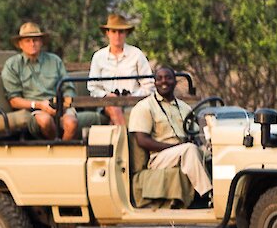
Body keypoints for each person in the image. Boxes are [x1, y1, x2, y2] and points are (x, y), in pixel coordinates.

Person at [129, 67, 211, 198]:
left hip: (183, 150)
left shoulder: (184, 107)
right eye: (159, 78)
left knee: (213, 151)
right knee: (189, 150)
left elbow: (194, 132)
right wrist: (176, 147)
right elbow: (142, 140)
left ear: (175, 82)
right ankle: (208, 194)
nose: (164, 81)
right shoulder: (144, 106)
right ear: (155, 83)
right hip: (159, 156)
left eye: (168, 78)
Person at [2, 22, 79, 140]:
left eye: (35, 40)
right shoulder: (12, 65)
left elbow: (68, 87)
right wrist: (38, 105)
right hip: (34, 109)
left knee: (71, 123)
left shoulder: (54, 61)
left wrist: (63, 104)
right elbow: (14, 100)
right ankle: (56, 148)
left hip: (58, 105)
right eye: (27, 40)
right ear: (20, 44)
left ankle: (61, 152)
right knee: (45, 120)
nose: (32, 44)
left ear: (41, 42)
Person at [88, 14, 154, 125]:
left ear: (126, 34)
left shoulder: (136, 54)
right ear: (107, 33)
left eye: (121, 32)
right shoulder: (98, 57)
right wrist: (106, 95)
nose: (117, 36)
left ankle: (120, 139)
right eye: (114, 32)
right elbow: (93, 87)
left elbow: (149, 85)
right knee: (114, 109)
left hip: (135, 102)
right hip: (107, 103)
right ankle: (126, 141)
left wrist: (133, 96)